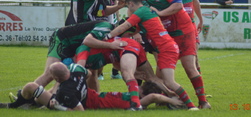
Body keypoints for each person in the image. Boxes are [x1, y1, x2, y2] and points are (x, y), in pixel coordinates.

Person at [108, 0, 211, 109]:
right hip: (166, 35)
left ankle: (202, 102)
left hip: (183, 31)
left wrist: (159, 13)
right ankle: (167, 100)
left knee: (189, 67)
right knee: (161, 72)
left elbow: (178, 6)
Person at [0, 62, 184, 110]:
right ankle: (30, 103)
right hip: (88, 95)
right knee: (46, 93)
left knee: (34, 87)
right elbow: (88, 74)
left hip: (83, 99)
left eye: (140, 87)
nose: (136, 87)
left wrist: (173, 101)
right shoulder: (132, 99)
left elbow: (153, 97)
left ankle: (19, 104)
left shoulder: (136, 102)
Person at [167, 0, 203, 71]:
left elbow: (195, 1)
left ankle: (198, 80)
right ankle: (165, 81)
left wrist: (201, 20)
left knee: (194, 54)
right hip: (174, 26)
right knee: (170, 56)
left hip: (190, 24)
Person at [97, 0, 122, 80]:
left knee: (115, 46)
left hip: (111, 18)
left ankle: (115, 72)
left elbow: (115, 3)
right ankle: (98, 72)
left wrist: (117, 16)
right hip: (99, 19)